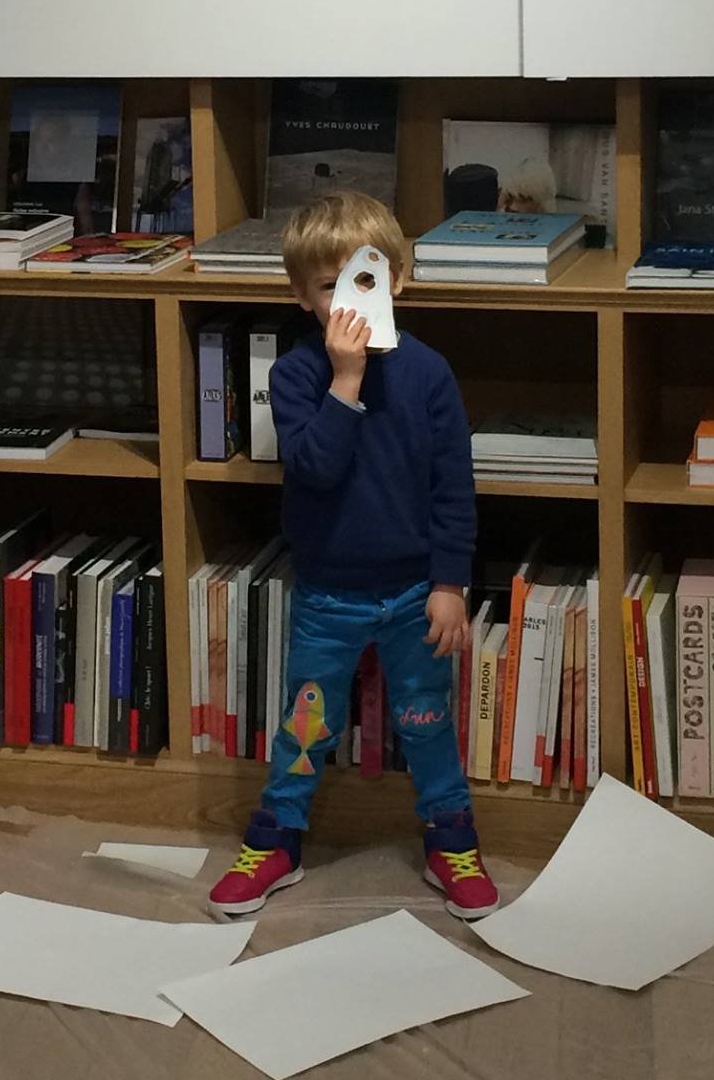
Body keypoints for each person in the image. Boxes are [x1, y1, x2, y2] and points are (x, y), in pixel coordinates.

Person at [207, 191, 499, 921]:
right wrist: (345, 379)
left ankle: (451, 837)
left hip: (414, 591)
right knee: (305, 723)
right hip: (328, 593)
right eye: (326, 286)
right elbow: (315, 467)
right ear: (301, 297)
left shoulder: (429, 373)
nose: (347, 301)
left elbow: (452, 488)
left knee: (426, 720)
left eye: (362, 279)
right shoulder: (295, 375)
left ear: (398, 279)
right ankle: (277, 839)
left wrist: (450, 583)